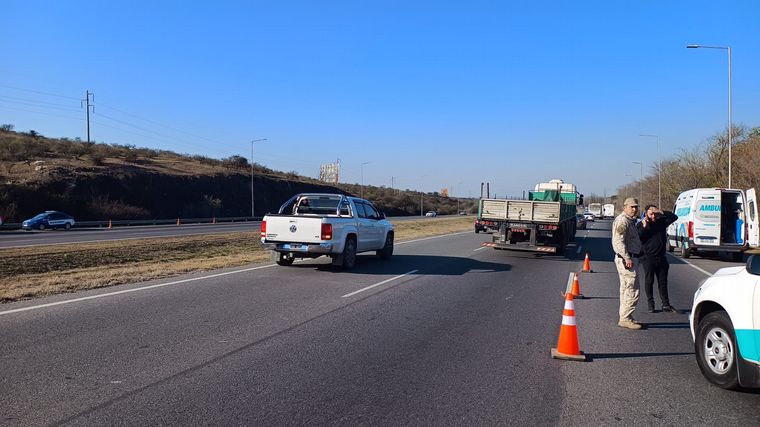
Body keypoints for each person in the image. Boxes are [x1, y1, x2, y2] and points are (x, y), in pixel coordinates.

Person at [637, 205, 678, 313]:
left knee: (663, 282)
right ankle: (651, 304)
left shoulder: (661, 222)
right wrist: (644, 227)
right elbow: (638, 237)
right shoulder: (641, 224)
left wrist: (660, 211)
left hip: (661, 257)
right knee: (649, 281)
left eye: (655, 213)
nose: (653, 215)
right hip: (648, 258)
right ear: (646, 214)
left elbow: (674, 217)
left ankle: (666, 304)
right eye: (651, 213)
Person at [612, 198, 643, 330]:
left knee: (626, 289)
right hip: (626, 259)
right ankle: (625, 318)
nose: (634, 209)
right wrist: (627, 257)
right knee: (632, 289)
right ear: (625, 207)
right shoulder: (622, 221)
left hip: (630, 257)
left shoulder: (630, 221)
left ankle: (626, 316)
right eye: (631, 207)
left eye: (636, 207)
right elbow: (618, 241)